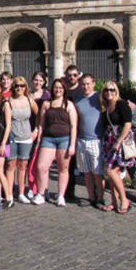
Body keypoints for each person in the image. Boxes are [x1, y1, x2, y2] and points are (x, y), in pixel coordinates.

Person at [32, 79, 78, 207]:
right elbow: (41, 123)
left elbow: (74, 126)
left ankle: (61, 195)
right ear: (52, 89)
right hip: (48, 139)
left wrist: (72, 145)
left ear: (64, 90)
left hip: (64, 139)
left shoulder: (69, 105)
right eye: (56, 87)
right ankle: (41, 194)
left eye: (61, 88)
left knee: (63, 169)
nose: (58, 90)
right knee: (41, 167)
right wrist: (39, 139)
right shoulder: (46, 104)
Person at [100, 81, 135, 214]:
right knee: (113, 174)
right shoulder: (106, 106)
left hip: (120, 141)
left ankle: (124, 199)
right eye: (107, 90)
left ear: (116, 91)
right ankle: (114, 203)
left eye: (112, 90)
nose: (109, 92)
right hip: (109, 142)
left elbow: (127, 124)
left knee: (111, 171)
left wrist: (118, 141)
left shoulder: (121, 104)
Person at [74, 74, 106, 208]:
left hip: (96, 140)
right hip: (81, 140)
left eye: (88, 83)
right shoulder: (78, 100)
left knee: (98, 173)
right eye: (83, 84)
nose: (85, 86)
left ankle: (100, 198)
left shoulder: (100, 98)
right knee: (86, 172)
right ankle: (91, 197)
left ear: (93, 83)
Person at [6, 76, 39, 204]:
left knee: (22, 165)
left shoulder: (30, 101)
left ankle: (20, 193)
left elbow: (39, 114)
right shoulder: (8, 101)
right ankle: (8, 194)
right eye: (17, 85)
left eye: (22, 85)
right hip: (10, 138)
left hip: (26, 138)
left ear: (26, 87)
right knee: (9, 165)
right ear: (13, 87)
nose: (19, 88)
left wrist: (36, 129)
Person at [27, 71, 51, 200]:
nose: (38, 82)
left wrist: (38, 129)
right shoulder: (27, 94)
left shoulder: (48, 95)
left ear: (44, 82)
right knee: (30, 160)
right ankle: (31, 187)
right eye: (36, 80)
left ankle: (43, 188)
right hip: (29, 129)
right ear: (32, 81)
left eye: (40, 80)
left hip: (43, 130)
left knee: (42, 162)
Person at [64, 64, 83, 201]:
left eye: (74, 75)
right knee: (68, 165)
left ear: (78, 76)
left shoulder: (82, 91)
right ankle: (69, 193)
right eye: (69, 75)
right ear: (66, 76)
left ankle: (95, 194)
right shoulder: (63, 90)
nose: (72, 77)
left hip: (81, 130)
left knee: (88, 166)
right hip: (66, 131)